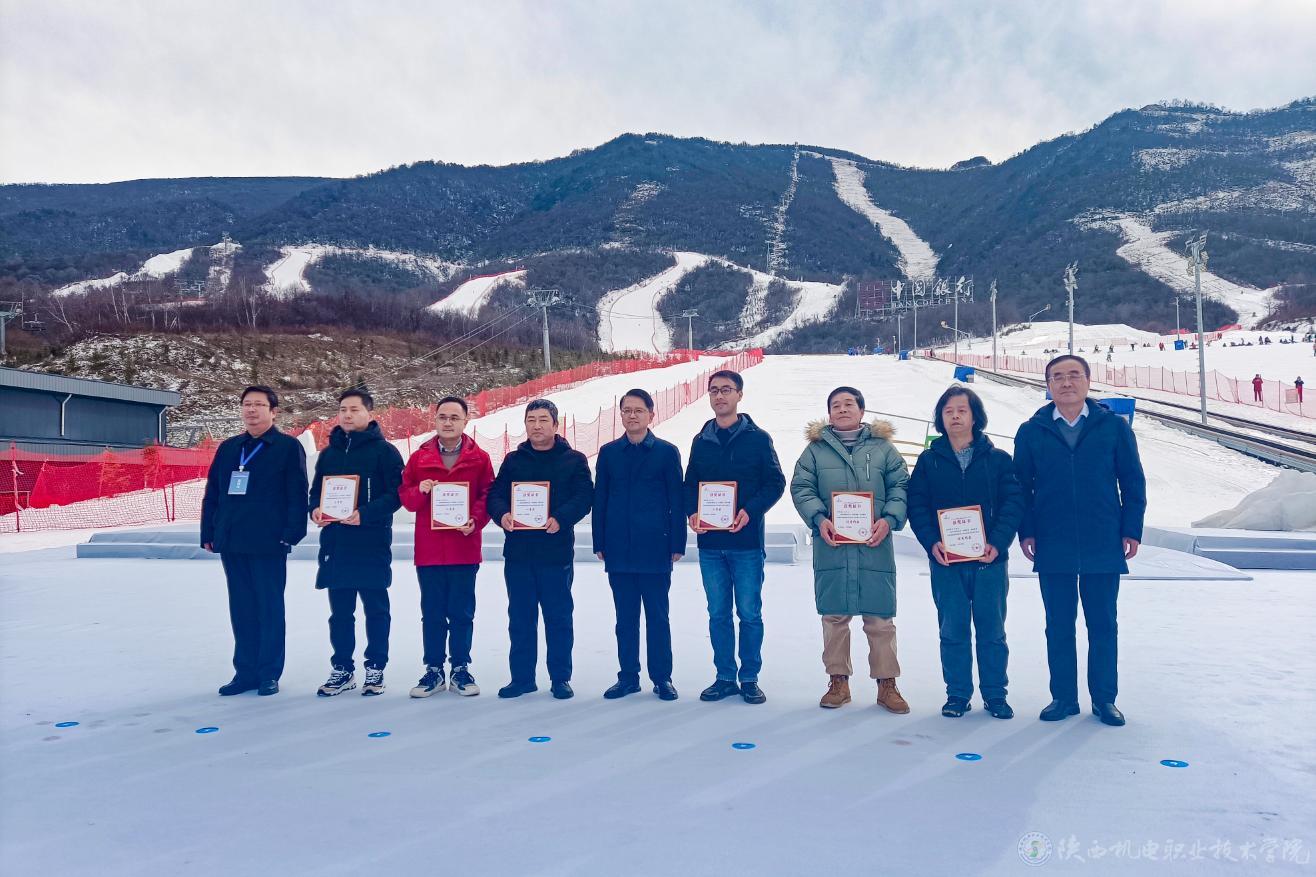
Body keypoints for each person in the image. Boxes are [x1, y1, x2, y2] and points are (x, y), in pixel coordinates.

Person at [1014, 355, 1146, 727]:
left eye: (1074, 375)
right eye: (1057, 377)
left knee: (1103, 623)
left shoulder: (1113, 427)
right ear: (1048, 385)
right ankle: (1063, 698)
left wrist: (1131, 529)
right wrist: (1027, 530)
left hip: (1102, 537)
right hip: (1052, 539)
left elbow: (1132, 481)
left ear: (1088, 381)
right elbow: (1021, 487)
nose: (1066, 383)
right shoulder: (1032, 431)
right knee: (1058, 624)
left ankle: (1104, 699)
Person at [789, 386, 911, 714]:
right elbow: (801, 486)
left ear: (861, 411)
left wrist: (889, 519)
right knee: (834, 616)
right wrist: (819, 518)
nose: (842, 409)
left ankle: (887, 684)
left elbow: (901, 485)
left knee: (880, 617)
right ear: (829, 413)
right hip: (833, 545)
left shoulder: (883, 449)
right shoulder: (815, 451)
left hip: (874, 544)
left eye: (849, 404)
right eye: (835, 405)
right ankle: (838, 682)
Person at [907, 387, 1023, 719]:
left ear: (975, 416)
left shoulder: (998, 459)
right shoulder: (928, 461)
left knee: (992, 631)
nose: (955, 416)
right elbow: (918, 506)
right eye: (948, 411)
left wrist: (997, 542)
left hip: (989, 561)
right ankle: (957, 694)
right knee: (952, 629)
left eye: (962, 410)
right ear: (940, 418)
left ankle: (995, 694)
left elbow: (1013, 504)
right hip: (946, 562)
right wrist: (932, 542)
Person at [684, 370, 786, 704]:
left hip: (746, 544)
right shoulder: (701, 440)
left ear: (739, 395)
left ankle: (750, 677)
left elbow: (775, 482)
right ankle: (725, 676)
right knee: (718, 614)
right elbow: (690, 484)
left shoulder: (758, 439)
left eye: (726, 390)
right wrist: (692, 512)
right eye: (714, 390)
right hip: (711, 545)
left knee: (749, 614)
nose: (719, 396)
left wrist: (750, 511)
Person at [200, 385, 309, 697]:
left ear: (273, 412)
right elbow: (214, 491)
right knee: (242, 608)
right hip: (232, 539)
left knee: (269, 607)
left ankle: (268, 673)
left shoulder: (287, 447)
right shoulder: (229, 448)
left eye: (259, 405)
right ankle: (244, 672)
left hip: (268, 540)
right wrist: (209, 531)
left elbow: (297, 493)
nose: (251, 410)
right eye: (247, 404)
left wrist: (291, 533)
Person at [487, 399, 593, 700]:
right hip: (518, 554)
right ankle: (522, 678)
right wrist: (503, 515)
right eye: (531, 420)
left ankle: (560, 677)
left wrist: (561, 518)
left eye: (543, 420)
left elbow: (585, 496)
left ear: (556, 425)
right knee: (520, 618)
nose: (537, 426)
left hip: (555, 553)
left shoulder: (573, 460)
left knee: (558, 618)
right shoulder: (513, 460)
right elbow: (495, 495)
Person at [592, 389, 686, 701]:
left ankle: (662, 678)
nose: (632, 416)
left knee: (658, 617)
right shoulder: (609, 453)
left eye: (638, 410)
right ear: (620, 414)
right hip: (619, 547)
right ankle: (628, 677)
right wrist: (599, 540)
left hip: (655, 547)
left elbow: (676, 499)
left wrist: (677, 542)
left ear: (651, 415)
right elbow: (600, 499)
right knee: (625, 619)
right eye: (626, 410)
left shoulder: (666, 452)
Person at [309, 389, 404, 697]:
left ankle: (375, 667)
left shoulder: (386, 452)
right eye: (343, 410)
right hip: (336, 542)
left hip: (371, 541)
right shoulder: (329, 453)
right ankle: (342, 668)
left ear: (369, 414)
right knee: (340, 612)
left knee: (376, 609)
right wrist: (315, 510)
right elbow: (315, 492)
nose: (347, 415)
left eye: (354, 409)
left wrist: (365, 514)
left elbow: (396, 496)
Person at [398, 396, 494, 698]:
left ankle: (460, 668)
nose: (448, 422)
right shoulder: (419, 458)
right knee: (433, 613)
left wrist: (474, 520)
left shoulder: (480, 458)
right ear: (435, 419)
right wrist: (420, 489)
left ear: (466, 421)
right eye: (443, 417)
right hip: (429, 550)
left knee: (462, 612)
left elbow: (488, 495)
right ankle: (434, 669)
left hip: (463, 547)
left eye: (454, 417)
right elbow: (407, 499)